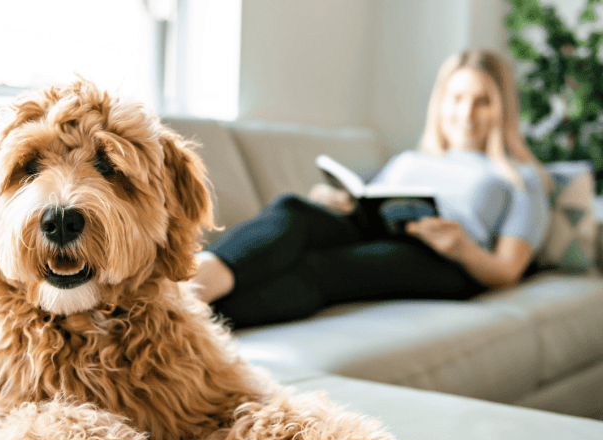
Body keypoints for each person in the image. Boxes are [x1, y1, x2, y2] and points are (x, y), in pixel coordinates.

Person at [194, 49, 555, 328]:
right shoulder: (412, 160)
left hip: (442, 260)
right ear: (440, 102)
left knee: (322, 268)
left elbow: (508, 271)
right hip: (374, 230)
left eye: (483, 102)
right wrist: (332, 201)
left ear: (503, 109)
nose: (466, 113)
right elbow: (371, 204)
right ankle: (189, 285)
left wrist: (462, 248)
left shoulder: (521, 179)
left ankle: (189, 318)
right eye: (457, 98)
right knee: (293, 209)